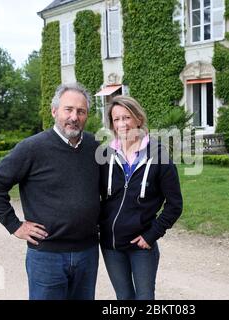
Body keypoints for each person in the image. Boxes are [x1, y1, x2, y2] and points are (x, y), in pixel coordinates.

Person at [0, 83, 101, 300]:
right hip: (47, 256)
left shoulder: (96, 146)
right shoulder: (32, 148)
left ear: (86, 115)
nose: (74, 116)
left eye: (80, 111)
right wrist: (14, 225)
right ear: (54, 111)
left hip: (87, 253)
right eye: (68, 109)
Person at [99, 95, 183, 300]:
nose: (122, 124)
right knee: (124, 298)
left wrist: (152, 235)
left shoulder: (159, 156)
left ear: (138, 119)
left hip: (141, 246)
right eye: (116, 119)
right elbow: (94, 196)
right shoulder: (105, 156)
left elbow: (175, 204)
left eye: (126, 117)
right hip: (111, 246)